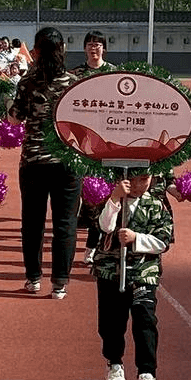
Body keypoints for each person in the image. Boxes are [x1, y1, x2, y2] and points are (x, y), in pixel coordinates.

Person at [9, 27, 82, 299]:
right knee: (65, 223)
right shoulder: (73, 83)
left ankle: (33, 278)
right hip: (67, 162)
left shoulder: (28, 82)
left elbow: (15, 118)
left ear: (36, 52)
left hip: (34, 161)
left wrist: (6, 102)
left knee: (33, 221)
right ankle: (60, 282)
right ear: (62, 50)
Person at [93, 171, 174, 380]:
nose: (140, 185)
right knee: (111, 321)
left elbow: (163, 240)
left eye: (145, 179)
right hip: (111, 270)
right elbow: (104, 226)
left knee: (145, 319)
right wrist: (115, 199)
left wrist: (136, 238)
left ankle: (147, 374)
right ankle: (114, 362)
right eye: (136, 179)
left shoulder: (155, 205)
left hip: (143, 272)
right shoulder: (110, 198)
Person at [72, 30, 117, 265]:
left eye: (98, 44)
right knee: (84, 194)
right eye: (90, 44)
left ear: (104, 48)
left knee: (102, 195)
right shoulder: (76, 74)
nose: (94, 48)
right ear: (84, 48)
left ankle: (93, 246)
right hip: (81, 143)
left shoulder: (113, 74)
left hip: (107, 145)